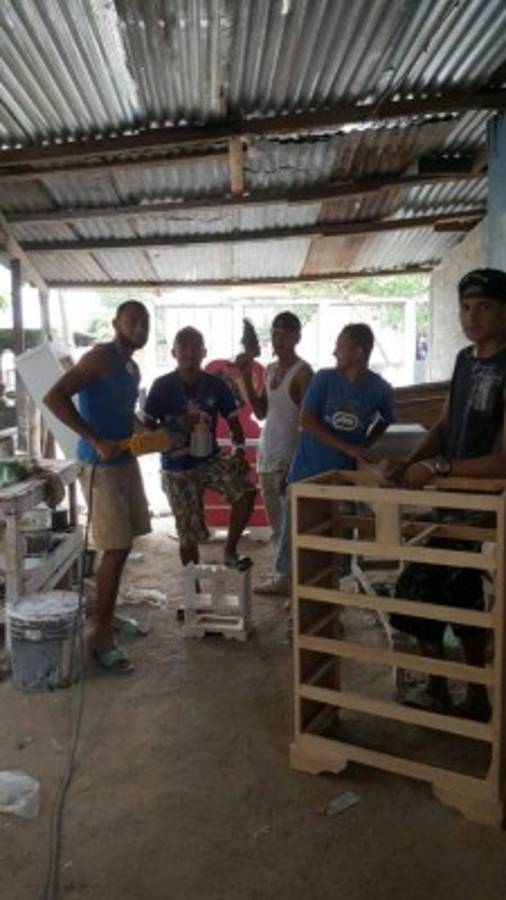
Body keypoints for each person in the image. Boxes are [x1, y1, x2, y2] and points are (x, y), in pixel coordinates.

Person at [387, 268, 506, 721]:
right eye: (466, 307)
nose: (472, 316)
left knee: (418, 586)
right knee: (459, 594)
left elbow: (505, 459)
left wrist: (438, 468)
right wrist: (409, 462)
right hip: (453, 502)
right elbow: (444, 424)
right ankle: (467, 695)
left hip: (487, 508)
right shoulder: (465, 360)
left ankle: (444, 688)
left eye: (485, 307)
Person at [44, 300, 152, 674]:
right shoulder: (98, 358)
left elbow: (124, 411)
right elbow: (54, 397)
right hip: (99, 466)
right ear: (116, 324)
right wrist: (94, 439)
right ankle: (100, 635)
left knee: (124, 545)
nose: (140, 328)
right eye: (132, 321)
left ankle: (108, 616)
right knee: (115, 548)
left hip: (125, 462)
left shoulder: (131, 367)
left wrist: (143, 430)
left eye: (145, 322)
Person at [273, 323, 395, 594]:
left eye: (339, 346)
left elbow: (386, 419)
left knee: (336, 539)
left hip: (343, 476)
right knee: (298, 536)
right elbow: (306, 420)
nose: (334, 352)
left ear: (358, 352)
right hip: (307, 471)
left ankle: (328, 594)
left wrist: (364, 445)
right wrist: (350, 448)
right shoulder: (324, 379)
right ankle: (295, 594)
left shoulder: (379, 388)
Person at [143, 326, 256, 572]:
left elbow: (235, 425)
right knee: (187, 534)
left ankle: (230, 550)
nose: (190, 353)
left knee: (246, 491)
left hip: (209, 460)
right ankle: (192, 589)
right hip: (175, 468)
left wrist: (238, 452)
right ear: (173, 352)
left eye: (196, 347)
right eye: (183, 347)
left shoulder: (216, 385)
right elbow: (146, 431)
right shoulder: (162, 386)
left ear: (204, 352)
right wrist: (176, 424)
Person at [236, 312, 313, 593]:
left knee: (293, 525)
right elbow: (260, 412)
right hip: (267, 454)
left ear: (297, 337)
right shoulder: (269, 370)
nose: (279, 339)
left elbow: (308, 425)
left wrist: (296, 465)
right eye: (275, 333)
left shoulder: (303, 373)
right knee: (277, 524)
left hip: (289, 457)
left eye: (285, 333)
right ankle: (284, 578)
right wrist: (245, 377)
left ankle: (295, 581)